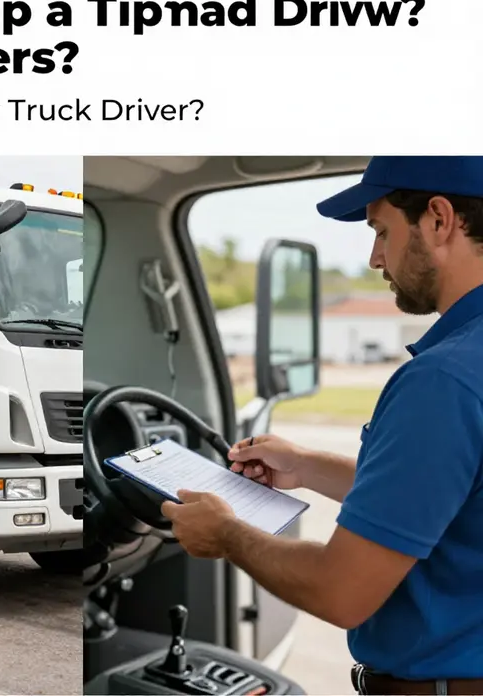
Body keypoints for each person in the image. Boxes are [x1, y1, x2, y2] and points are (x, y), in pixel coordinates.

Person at [161, 157, 483, 695]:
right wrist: (308, 466)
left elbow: (342, 592)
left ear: (439, 219)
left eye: (381, 231)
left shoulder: (444, 379)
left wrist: (227, 534)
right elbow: (447, 498)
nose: (376, 256)